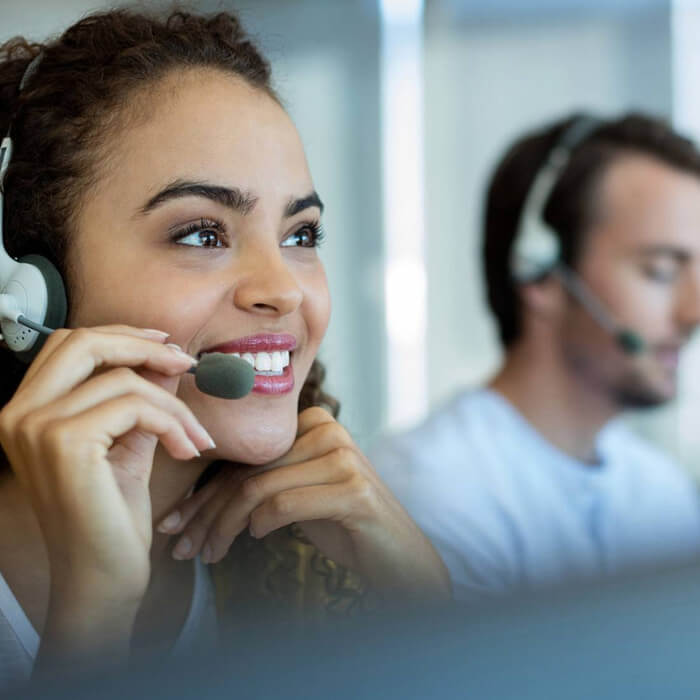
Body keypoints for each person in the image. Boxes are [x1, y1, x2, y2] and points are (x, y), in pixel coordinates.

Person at [0, 9, 450, 689]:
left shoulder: (309, 563)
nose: (284, 291)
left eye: (300, 235)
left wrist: (427, 603)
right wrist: (92, 616)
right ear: (30, 292)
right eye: (202, 234)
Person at [361, 113, 700, 599]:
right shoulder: (434, 491)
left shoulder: (662, 492)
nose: (693, 311)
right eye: (662, 271)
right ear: (540, 274)